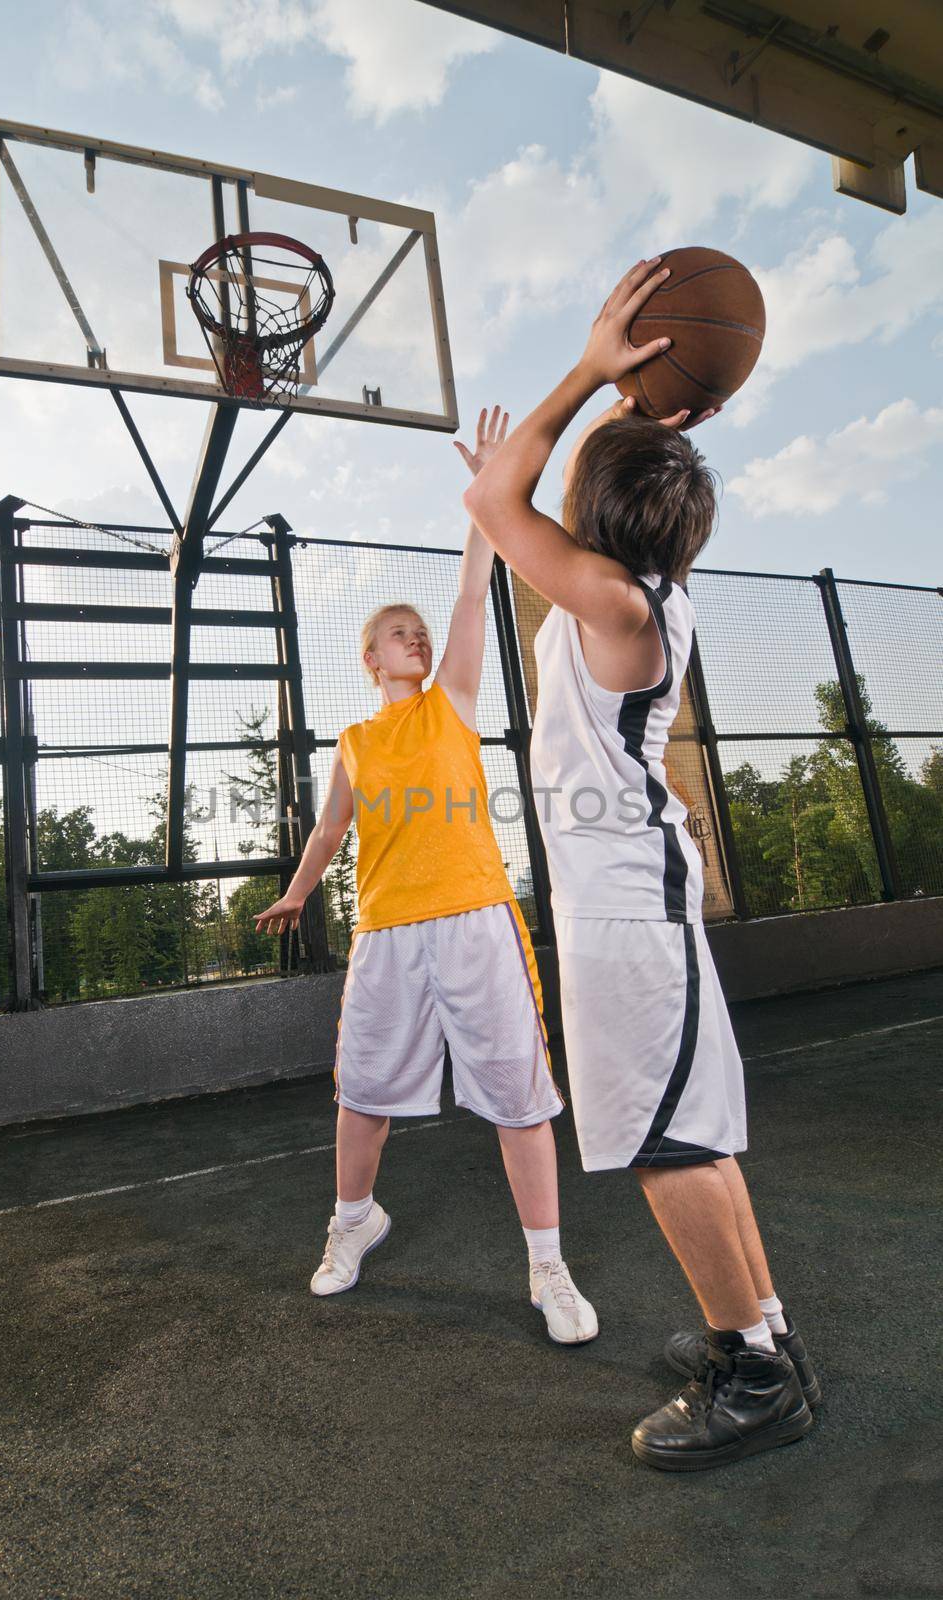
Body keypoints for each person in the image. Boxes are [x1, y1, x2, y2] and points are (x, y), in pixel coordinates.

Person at [463, 257, 820, 1471]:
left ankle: (756, 1376)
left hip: (625, 917)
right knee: (695, 1132)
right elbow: (581, 488)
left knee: (668, 1144)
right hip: (640, 905)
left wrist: (587, 365)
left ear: (597, 514)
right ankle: (760, 1331)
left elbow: (497, 499)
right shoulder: (645, 591)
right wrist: (656, 406)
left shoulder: (609, 600)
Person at [253, 407, 596, 1345]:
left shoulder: (452, 700)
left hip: (475, 917)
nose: (413, 636)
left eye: (416, 629)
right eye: (396, 633)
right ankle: (353, 1220)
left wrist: (486, 499)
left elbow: (470, 587)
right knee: (361, 1092)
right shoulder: (358, 742)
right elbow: (329, 832)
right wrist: (295, 890)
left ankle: (546, 1265)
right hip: (386, 931)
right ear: (370, 660)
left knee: (517, 1095)